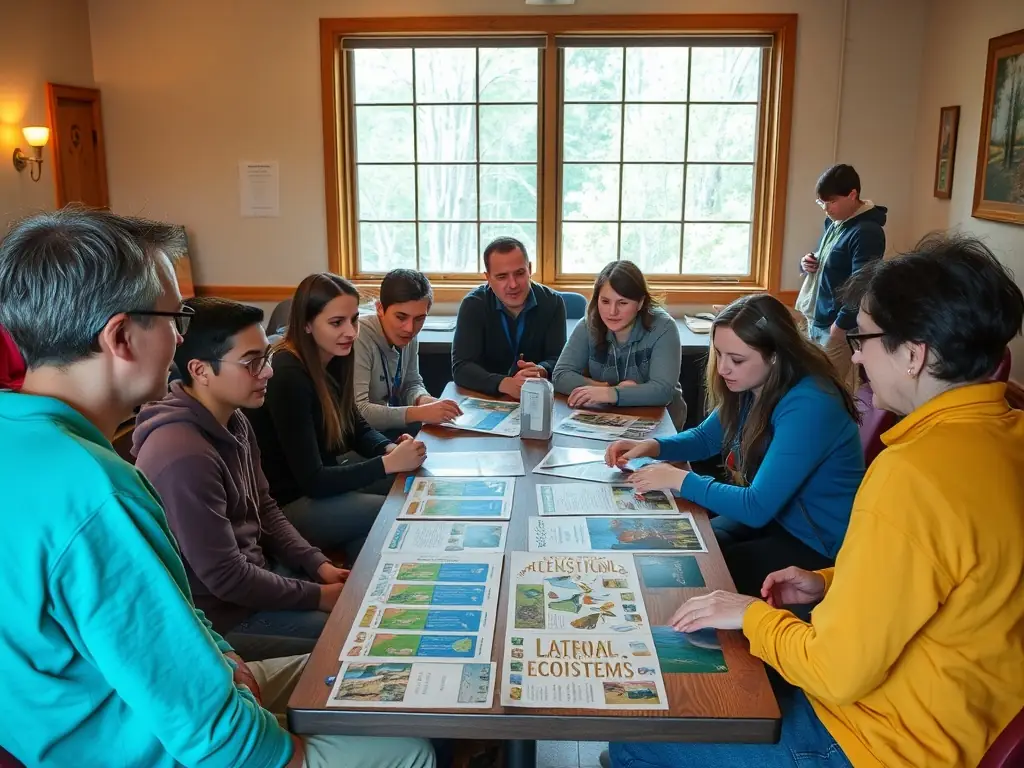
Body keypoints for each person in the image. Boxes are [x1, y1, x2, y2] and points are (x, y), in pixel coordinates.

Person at [0, 207, 434, 767]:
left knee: (389, 677)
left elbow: (167, 629)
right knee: (409, 747)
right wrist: (290, 755)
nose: (181, 335)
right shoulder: (95, 491)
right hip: (140, 746)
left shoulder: (26, 439)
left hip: (110, 715)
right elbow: (198, 718)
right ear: (122, 337)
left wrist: (226, 657)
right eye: (173, 316)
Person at [608, 233, 1024, 768]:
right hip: (963, 712)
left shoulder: (913, 473)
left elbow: (836, 670)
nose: (856, 354)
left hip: (879, 742)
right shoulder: (1006, 432)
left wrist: (752, 615)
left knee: (635, 730)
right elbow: (952, 575)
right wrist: (829, 580)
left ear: (914, 355)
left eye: (865, 337)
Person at [133, 297, 350, 661]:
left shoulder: (235, 418)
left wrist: (317, 564)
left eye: (265, 357)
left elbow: (265, 507)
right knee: (349, 638)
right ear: (201, 370)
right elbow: (225, 577)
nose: (267, 372)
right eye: (252, 362)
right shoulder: (182, 454)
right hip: (222, 620)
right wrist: (316, 596)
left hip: (256, 581)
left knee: (358, 607)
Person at [607, 293, 863, 596]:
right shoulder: (755, 382)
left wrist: (678, 478)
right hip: (779, 519)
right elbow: (705, 438)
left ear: (775, 355)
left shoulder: (810, 404)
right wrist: (652, 446)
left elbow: (755, 507)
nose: (723, 368)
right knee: (686, 550)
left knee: (695, 576)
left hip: (817, 545)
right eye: (720, 354)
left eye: (736, 359)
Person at [247, 272, 427, 556]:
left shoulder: (335, 356)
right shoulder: (287, 374)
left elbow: (356, 427)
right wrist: (387, 464)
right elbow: (314, 480)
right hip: (288, 506)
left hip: (324, 485)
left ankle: (358, 577)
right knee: (394, 509)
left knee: (417, 480)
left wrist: (390, 448)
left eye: (354, 319)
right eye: (336, 323)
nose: (351, 332)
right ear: (306, 324)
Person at [552, 260, 685, 428]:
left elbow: (662, 391)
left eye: (622, 303)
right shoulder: (588, 324)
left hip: (659, 421)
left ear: (641, 303)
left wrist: (612, 394)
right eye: (605, 301)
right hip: (604, 418)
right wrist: (605, 389)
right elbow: (560, 376)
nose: (612, 312)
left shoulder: (664, 326)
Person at [794, 164, 887, 388]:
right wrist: (807, 263)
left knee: (831, 391)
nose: (826, 209)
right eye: (821, 203)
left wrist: (841, 325)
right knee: (812, 385)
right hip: (818, 318)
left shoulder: (866, 232)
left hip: (838, 325)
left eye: (831, 201)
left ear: (852, 194)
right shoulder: (835, 223)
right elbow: (830, 262)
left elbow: (863, 284)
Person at [452, 236, 567, 400]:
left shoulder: (553, 302)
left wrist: (542, 369)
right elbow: (462, 368)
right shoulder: (473, 304)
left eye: (519, 273)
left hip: (538, 397)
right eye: (502, 277)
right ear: (488, 278)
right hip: (487, 397)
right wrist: (505, 383)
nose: (513, 284)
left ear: (530, 269)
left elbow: (560, 360)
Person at [354, 268, 462, 437]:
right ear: (380, 309)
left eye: (420, 319)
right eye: (401, 317)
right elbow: (360, 412)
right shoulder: (359, 337)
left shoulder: (408, 334)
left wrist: (425, 401)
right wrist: (420, 413)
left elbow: (411, 383)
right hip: (360, 439)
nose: (410, 328)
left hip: (386, 432)